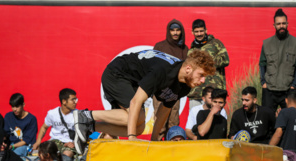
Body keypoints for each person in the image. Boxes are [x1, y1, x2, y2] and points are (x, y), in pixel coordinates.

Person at [73, 49, 215, 150]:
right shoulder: (163, 71)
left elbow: (164, 111)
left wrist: (154, 141)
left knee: (139, 127)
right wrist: (131, 137)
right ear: (188, 69)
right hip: (117, 73)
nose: (203, 80)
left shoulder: (184, 86)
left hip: (132, 81)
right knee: (138, 119)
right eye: (201, 75)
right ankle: (85, 115)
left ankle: (89, 127)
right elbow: (135, 101)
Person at [259, 8, 296, 113]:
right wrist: (263, 82)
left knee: (289, 120)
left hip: (288, 90)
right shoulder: (267, 43)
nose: (281, 26)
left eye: (283, 23)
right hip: (269, 90)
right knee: (267, 120)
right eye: (278, 24)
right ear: (274, 25)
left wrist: (294, 85)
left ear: (287, 24)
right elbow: (262, 63)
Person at [152, 19, 189, 140]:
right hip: (160, 91)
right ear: (168, 31)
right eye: (172, 30)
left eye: (178, 30)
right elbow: (153, 68)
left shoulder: (185, 49)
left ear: (181, 31)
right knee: (160, 125)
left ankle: (172, 152)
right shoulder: (160, 46)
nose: (175, 33)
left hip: (175, 91)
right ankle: (155, 151)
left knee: (173, 124)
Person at [187, 19, 229, 109]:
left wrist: (206, 62)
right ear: (192, 32)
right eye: (196, 31)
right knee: (196, 123)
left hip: (214, 94)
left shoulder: (216, 43)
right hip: (196, 95)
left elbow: (225, 60)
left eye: (201, 31)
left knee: (215, 121)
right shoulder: (191, 51)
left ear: (206, 30)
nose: (199, 34)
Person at [33, 88, 78, 161]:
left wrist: (75, 142)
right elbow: (44, 127)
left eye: (76, 99)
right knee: (44, 154)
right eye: (72, 100)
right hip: (54, 142)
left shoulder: (78, 114)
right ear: (64, 101)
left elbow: (84, 132)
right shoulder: (52, 113)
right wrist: (38, 141)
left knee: (66, 155)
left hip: (70, 143)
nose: (75, 102)